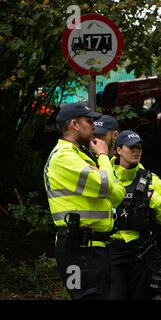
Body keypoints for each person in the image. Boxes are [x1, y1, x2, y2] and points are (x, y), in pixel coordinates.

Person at [43, 102, 125, 300]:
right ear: (74, 124)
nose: (94, 126)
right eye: (89, 121)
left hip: (94, 249)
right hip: (78, 250)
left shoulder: (81, 156)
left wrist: (102, 171)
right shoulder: (64, 157)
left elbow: (118, 194)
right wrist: (104, 156)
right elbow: (106, 186)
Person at [109, 130, 161, 300]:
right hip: (111, 250)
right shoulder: (106, 175)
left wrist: (153, 198)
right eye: (131, 147)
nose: (136, 151)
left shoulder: (150, 179)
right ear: (119, 149)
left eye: (139, 147)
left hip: (141, 252)